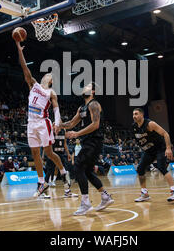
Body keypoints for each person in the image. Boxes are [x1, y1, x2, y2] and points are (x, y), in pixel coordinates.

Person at [14, 38, 70, 197]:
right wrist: (19, 49)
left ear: (51, 81)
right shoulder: (33, 84)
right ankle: (41, 182)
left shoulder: (51, 93)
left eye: (50, 75)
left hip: (43, 122)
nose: (47, 75)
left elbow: (56, 109)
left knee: (49, 152)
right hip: (30, 123)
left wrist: (57, 122)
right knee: (35, 153)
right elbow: (24, 67)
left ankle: (63, 172)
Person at [58, 82, 114, 215]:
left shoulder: (94, 104)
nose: (84, 88)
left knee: (78, 166)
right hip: (87, 142)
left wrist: (76, 134)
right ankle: (105, 197)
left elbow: (95, 124)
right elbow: (71, 123)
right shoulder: (81, 108)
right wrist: (58, 125)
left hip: (94, 141)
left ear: (93, 91)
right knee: (88, 171)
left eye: (88, 87)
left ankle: (86, 203)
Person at [131, 108, 174, 203]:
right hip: (149, 151)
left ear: (142, 115)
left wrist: (168, 148)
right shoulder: (134, 127)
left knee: (161, 167)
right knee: (140, 169)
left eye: (136, 114)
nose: (134, 116)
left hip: (160, 148)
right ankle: (144, 193)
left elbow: (165, 134)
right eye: (133, 114)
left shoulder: (150, 124)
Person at [44, 128, 76, 198]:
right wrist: (44, 154)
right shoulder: (51, 130)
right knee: (49, 172)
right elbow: (46, 143)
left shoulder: (63, 130)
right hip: (52, 154)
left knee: (64, 172)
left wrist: (68, 154)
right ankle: (42, 191)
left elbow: (64, 143)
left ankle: (67, 191)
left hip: (61, 154)